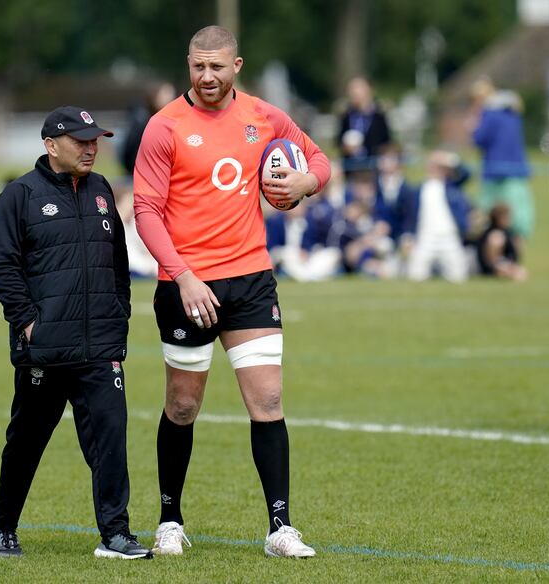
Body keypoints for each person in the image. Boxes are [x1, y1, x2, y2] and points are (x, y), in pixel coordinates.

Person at [133, 25, 330, 558]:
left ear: (236, 66)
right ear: (188, 66)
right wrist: (184, 274)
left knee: (267, 400)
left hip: (249, 278)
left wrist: (302, 185)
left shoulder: (264, 117)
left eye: (217, 66)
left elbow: (318, 161)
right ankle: (169, 521)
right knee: (182, 405)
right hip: (185, 285)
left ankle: (280, 528)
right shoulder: (164, 127)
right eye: (198, 66)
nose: (207, 76)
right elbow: (147, 212)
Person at [0, 106, 151, 560]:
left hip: (100, 347)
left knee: (111, 439)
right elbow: (3, 266)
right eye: (81, 140)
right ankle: (1, 527)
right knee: (27, 442)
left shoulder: (101, 190)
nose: (91, 147)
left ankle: (116, 535)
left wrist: (119, 315)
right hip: (45, 348)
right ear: (51, 145)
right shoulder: (20, 195)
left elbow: (118, 262)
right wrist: (27, 321)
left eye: (95, 139)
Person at [470, 78, 534, 241]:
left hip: (494, 171)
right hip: (517, 170)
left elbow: (479, 139)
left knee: (486, 215)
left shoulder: (488, 114)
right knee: (518, 218)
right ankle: (514, 256)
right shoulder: (512, 112)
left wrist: (474, 124)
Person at [399, 151, 471, 283]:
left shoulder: (452, 187)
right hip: (425, 237)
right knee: (415, 274)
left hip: (449, 237)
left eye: (439, 167)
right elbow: (409, 216)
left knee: (459, 276)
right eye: (433, 166)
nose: (435, 170)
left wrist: (449, 159)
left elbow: (467, 173)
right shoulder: (418, 190)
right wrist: (407, 237)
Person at [336, 77, 391, 176]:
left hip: (373, 168)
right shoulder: (346, 116)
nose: (355, 93)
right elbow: (338, 140)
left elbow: (386, 141)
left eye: (358, 88)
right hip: (351, 169)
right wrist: (346, 147)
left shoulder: (379, 116)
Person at [476, 204, 527, 281]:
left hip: (505, 262)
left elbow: (512, 253)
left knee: (521, 273)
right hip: (491, 266)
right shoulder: (491, 233)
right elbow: (483, 257)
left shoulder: (507, 232)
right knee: (497, 238)